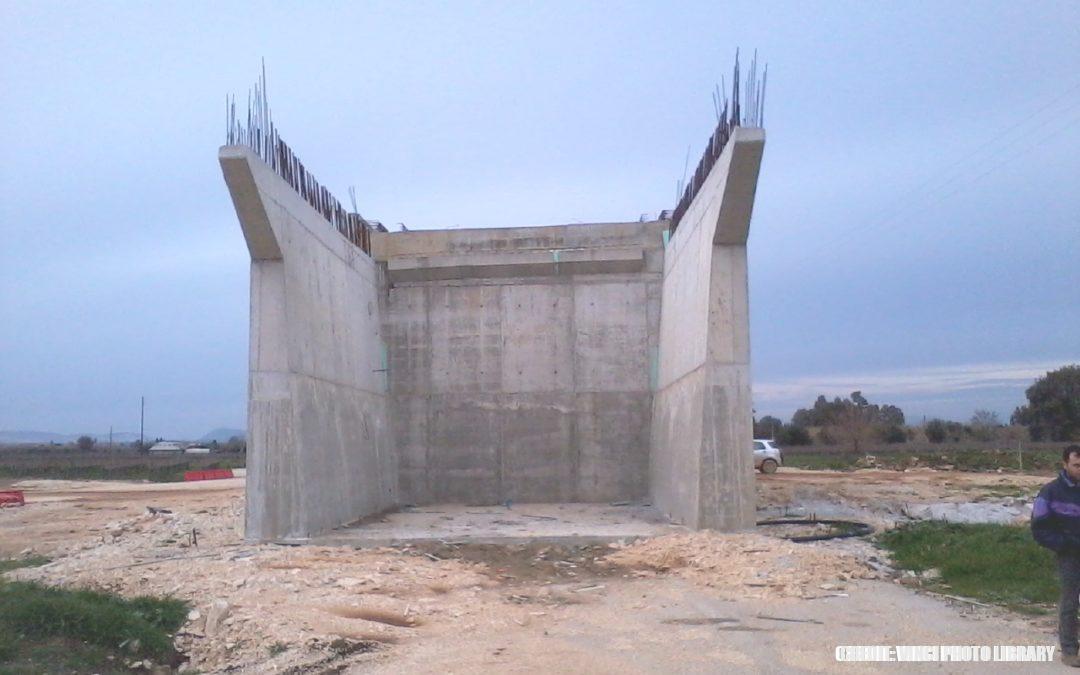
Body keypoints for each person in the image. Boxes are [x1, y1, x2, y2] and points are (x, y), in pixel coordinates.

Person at [1032, 444, 1080, 667]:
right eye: (1077, 465)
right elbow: (1039, 528)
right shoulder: (1050, 492)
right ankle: (1069, 650)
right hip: (1070, 555)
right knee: (1070, 603)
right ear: (1065, 464)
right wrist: (1064, 545)